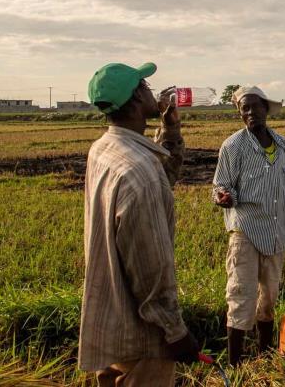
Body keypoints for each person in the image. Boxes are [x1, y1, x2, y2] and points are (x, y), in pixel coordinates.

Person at [79, 62, 200, 386]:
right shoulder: (139, 171)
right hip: (142, 336)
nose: (153, 90)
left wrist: (170, 130)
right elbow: (151, 267)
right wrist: (175, 331)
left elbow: (161, 177)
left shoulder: (103, 149)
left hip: (111, 323)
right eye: (145, 85)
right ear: (134, 101)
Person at [212, 86, 285, 365]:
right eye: (245, 108)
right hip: (245, 231)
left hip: (276, 234)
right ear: (240, 113)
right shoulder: (233, 146)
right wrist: (223, 197)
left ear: (266, 109)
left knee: (268, 302)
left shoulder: (281, 145)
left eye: (255, 106)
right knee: (240, 300)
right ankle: (236, 367)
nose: (251, 112)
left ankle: (264, 361)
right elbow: (220, 185)